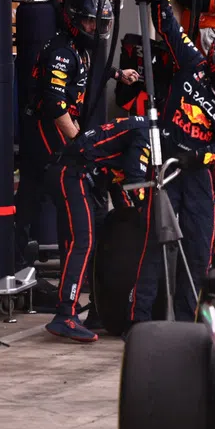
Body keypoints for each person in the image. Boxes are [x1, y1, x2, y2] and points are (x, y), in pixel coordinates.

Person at [130, 0, 215, 325]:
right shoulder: (192, 65)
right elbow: (170, 30)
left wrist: (199, 158)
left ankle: (188, 321)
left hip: (198, 173)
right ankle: (139, 319)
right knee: (154, 245)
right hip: (164, 166)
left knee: (200, 248)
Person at [15, 0, 137, 263]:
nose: (95, 28)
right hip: (47, 128)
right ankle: (65, 258)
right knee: (70, 189)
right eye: (89, 22)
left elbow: (91, 71)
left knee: (34, 195)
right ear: (74, 19)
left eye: (99, 23)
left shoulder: (78, 49)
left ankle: (24, 255)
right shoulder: (62, 51)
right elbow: (55, 105)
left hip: (54, 128)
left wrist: (119, 73)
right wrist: (79, 141)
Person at [46, 115, 151, 341]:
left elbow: (119, 179)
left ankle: (97, 311)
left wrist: (130, 214)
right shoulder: (147, 131)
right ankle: (65, 314)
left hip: (86, 177)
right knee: (82, 242)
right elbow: (135, 177)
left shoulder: (140, 128)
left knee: (97, 242)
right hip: (73, 173)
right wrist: (146, 209)